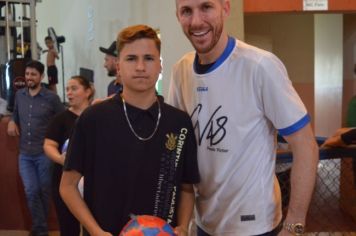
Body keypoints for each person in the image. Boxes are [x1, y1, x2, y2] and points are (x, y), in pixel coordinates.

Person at [168, 0, 319, 235]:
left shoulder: (260, 66)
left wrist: (294, 227)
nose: (196, 21)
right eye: (186, 11)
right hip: (203, 223)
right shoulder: (181, 70)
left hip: (255, 226)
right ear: (178, 16)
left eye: (206, 7)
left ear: (225, 8)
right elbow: (176, 147)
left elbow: (306, 145)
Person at [60, 24, 200, 236]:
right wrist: (95, 230)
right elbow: (67, 187)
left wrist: (182, 226)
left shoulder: (179, 122)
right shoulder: (93, 119)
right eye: (131, 58)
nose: (141, 67)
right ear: (118, 67)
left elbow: (186, 187)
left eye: (149, 58)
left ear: (160, 66)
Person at [7, 60, 64, 236]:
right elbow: (16, 114)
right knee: (31, 191)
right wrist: (12, 120)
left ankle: (39, 228)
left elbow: (63, 120)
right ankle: (41, 230)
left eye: (33, 74)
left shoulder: (52, 98)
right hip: (25, 154)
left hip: (45, 153)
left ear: (41, 76)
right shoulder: (20, 96)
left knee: (44, 191)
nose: (29, 78)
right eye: (27, 74)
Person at [43, 75, 94, 236]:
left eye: (74, 88)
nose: (69, 93)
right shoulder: (60, 119)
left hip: (93, 181)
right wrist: (60, 159)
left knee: (93, 226)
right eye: (67, 89)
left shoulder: (97, 116)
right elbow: (48, 145)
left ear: (87, 92)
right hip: (64, 180)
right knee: (68, 226)